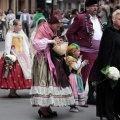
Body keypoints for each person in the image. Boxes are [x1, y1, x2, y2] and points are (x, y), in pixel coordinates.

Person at [29, 12, 75, 118]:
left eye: (60, 24)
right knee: (45, 82)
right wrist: (51, 41)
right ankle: (42, 109)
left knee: (52, 82)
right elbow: (36, 43)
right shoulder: (43, 28)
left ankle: (47, 107)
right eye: (58, 24)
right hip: (43, 60)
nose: (59, 26)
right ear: (52, 22)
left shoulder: (53, 29)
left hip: (53, 58)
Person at [66, 0, 103, 105]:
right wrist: (74, 48)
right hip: (86, 51)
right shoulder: (81, 18)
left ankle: (91, 96)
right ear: (87, 8)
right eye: (93, 6)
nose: (95, 8)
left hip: (97, 52)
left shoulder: (99, 19)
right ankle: (78, 98)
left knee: (94, 75)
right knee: (83, 75)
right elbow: (70, 33)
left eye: (96, 6)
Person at [89, 9, 120, 120]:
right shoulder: (109, 32)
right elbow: (104, 51)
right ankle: (109, 113)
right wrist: (106, 68)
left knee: (118, 92)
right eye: (119, 18)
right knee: (109, 91)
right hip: (111, 65)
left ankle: (116, 112)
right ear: (114, 19)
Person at [0, 19, 32, 97]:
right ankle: (12, 92)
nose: (21, 27)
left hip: (21, 54)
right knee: (13, 72)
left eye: (21, 25)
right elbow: (7, 46)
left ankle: (14, 91)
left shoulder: (21, 34)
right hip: (13, 54)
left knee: (23, 72)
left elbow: (25, 45)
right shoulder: (9, 34)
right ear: (14, 26)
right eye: (19, 25)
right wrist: (8, 57)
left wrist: (27, 55)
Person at [65, 43, 89, 112]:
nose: (79, 52)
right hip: (73, 77)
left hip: (77, 76)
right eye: (78, 51)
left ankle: (76, 104)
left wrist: (83, 63)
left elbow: (79, 68)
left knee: (77, 89)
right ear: (73, 52)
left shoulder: (75, 58)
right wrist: (80, 61)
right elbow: (76, 67)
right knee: (74, 90)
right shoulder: (70, 58)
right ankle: (72, 106)